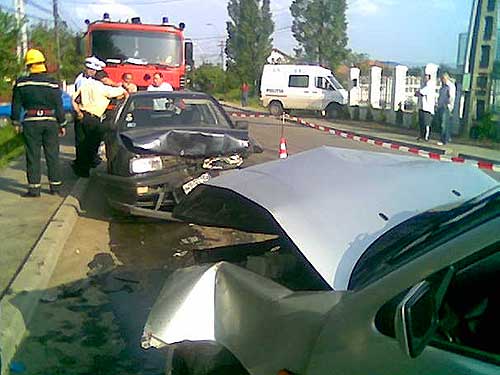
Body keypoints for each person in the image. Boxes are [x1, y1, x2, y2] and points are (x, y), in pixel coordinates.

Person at [10, 49, 66, 197]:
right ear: (42, 64)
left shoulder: (22, 84)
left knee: (33, 155)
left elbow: (16, 105)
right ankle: (55, 187)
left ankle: (34, 189)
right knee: (52, 154)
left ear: (29, 66)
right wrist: (62, 123)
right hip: (50, 122)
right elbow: (59, 106)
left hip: (31, 122)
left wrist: (16, 122)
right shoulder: (52, 83)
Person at [72, 70, 128, 177]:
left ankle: (79, 167)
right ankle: (85, 170)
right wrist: (114, 84)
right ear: (104, 79)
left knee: (80, 144)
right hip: (93, 118)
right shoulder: (103, 88)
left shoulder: (85, 85)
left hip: (81, 116)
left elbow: (73, 99)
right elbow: (122, 92)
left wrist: (78, 112)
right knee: (91, 144)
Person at [73, 56, 105, 173]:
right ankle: (82, 165)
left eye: (94, 70)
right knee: (82, 141)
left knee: (92, 140)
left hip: (92, 114)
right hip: (82, 112)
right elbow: (77, 97)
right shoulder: (81, 80)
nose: (92, 72)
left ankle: (89, 160)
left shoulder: (94, 81)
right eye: (90, 69)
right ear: (86, 68)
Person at [437, 72, 456, 146]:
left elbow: (451, 97)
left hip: (445, 106)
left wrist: (449, 105)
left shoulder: (450, 86)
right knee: (443, 123)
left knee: (444, 124)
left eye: (443, 79)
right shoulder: (443, 86)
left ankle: (444, 140)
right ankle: (446, 138)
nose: (442, 80)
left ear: (446, 78)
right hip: (441, 106)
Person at [415, 74, 435, 142]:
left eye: (426, 76)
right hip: (422, 106)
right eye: (424, 76)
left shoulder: (429, 85)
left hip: (427, 108)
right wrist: (417, 92)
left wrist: (418, 92)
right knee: (421, 123)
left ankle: (426, 137)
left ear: (429, 77)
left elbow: (421, 92)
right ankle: (421, 135)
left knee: (426, 123)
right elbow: (416, 94)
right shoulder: (424, 85)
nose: (425, 78)